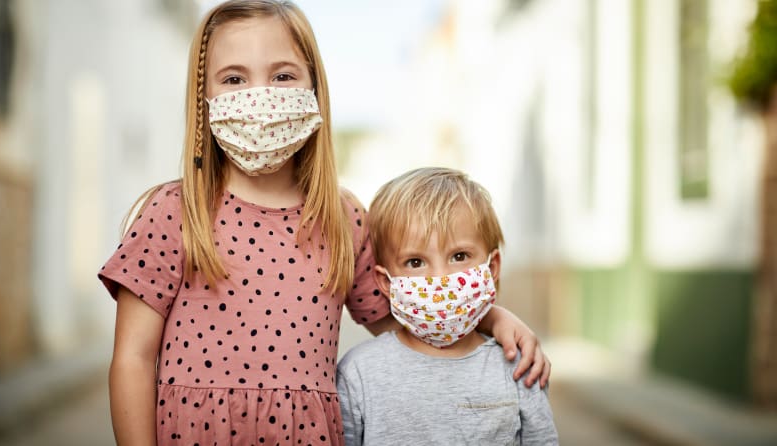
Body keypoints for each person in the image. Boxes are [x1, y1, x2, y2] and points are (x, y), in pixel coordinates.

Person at [98, 1, 550, 445]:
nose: (261, 96)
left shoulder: (342, 219)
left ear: (314, 88)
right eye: (234, 79)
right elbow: (134, 358)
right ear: (205, 98)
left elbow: (412, 318)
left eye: (283, 75)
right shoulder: (175, 210)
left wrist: (491, 318)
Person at [337, 167, 559, 445]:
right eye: (415, 262)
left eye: (459, 256)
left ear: (492, 267)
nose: (440, 278)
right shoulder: (359, 373)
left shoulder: (518, 368)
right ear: (385, 281)